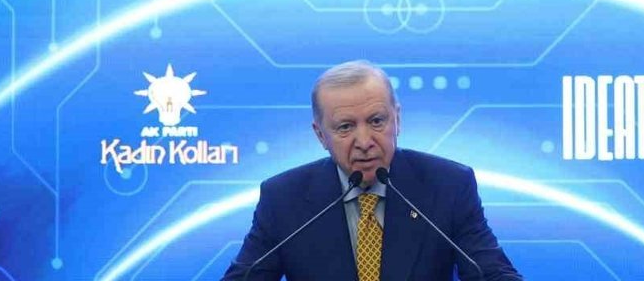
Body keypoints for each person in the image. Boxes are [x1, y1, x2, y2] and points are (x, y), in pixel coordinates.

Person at [221, 60, 522, 281]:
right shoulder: (284, 199)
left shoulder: (448, 186)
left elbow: (492, 273)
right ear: (320, 135)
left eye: (377, 121)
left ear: (397, 119)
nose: (364, 142)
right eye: (345, 127)